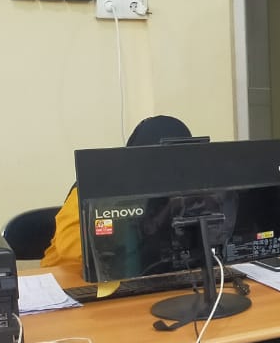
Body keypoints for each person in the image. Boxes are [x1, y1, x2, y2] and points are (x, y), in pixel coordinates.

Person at [41, 115, 193, 273]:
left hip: (138, 275)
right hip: (65, 276)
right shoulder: (94, 185)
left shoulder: (178, 189)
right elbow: (70, 247)